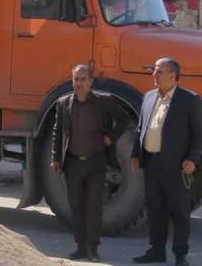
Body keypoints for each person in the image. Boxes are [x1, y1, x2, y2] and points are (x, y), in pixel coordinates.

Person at [50, 64, 127, 262]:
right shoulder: (63, 103)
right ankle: (80, 246)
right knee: (76, 206)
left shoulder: (104, 102)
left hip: (96, 162)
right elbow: (58, 132)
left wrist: (111, 137)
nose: (79, 83)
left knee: (94, 207)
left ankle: (93, 248)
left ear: (91, 81)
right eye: (76, 79)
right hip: (73, 163)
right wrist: (55, 158)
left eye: (83, 79)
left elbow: (124, 119)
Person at [131, 58, 202, 266]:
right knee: (155, 210)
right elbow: (141, 128)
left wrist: (192, 159)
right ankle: (156, 250)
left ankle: (180, 256)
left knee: (180, 212)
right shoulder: (149, 97)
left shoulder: (189, 100)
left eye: (159, 72)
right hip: (152, 163)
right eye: (154, 71)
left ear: (173, 76)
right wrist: (135, 153)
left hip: (178, 166)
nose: (154, 75)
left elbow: (199, 134)